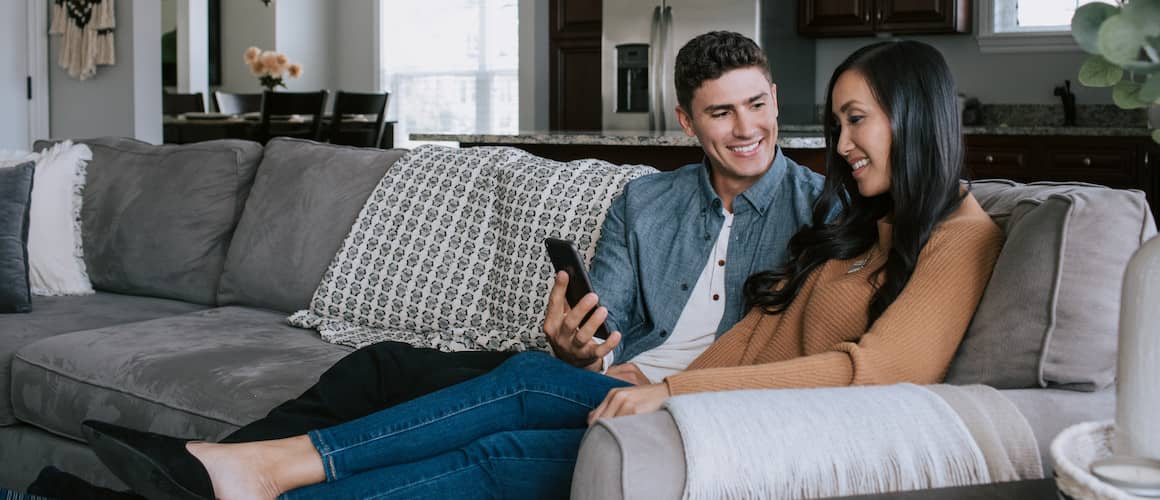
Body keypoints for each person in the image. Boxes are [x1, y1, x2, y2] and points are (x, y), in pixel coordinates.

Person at [82, 38, 1004, 499]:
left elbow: (869, 369)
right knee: (463, 413)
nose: (825, 142)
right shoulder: (837, 220)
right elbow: (614, 321)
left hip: (709, 411)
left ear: (913, 118)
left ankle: (252, 470)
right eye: (722, 113)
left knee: (512, 407)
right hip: (637, 385)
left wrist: (673, 395)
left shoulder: (845, 212)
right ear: (689, 122)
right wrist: (583, 346)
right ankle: (230, 470)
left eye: (850, 120)